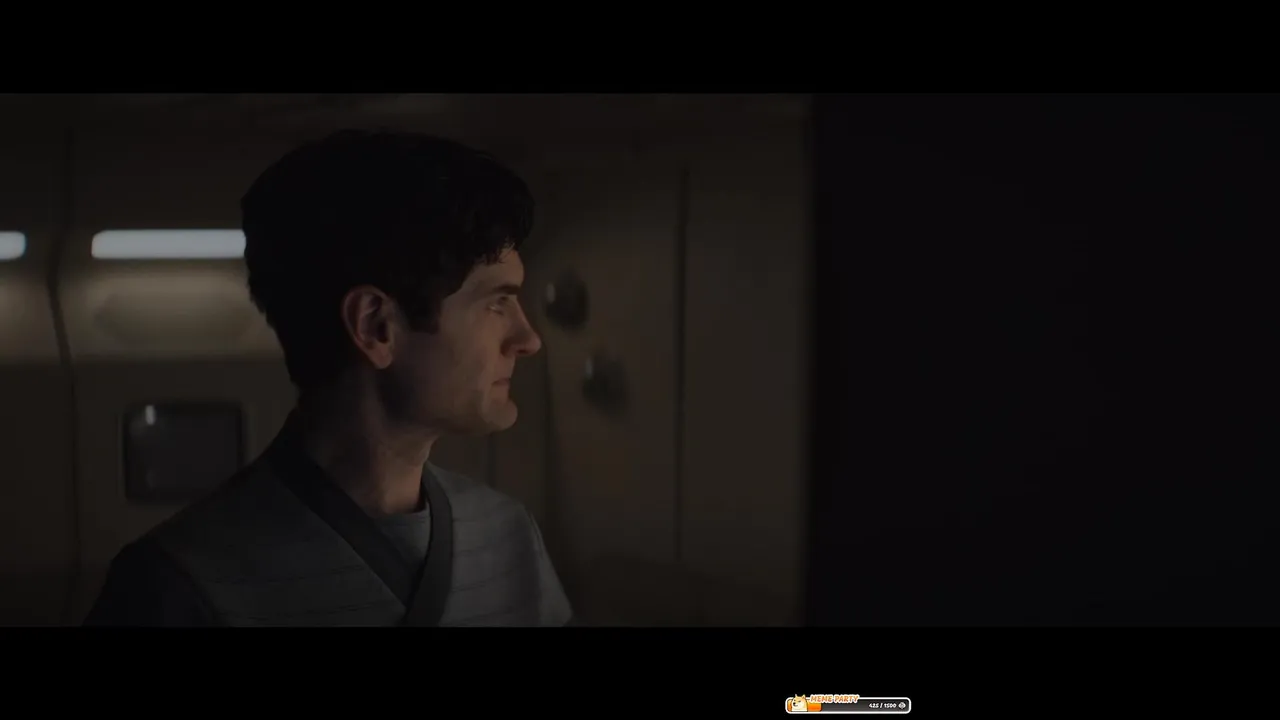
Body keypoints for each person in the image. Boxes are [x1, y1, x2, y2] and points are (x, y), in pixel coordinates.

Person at [84, 129, 575, 627]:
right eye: (496, 303)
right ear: (376, 327)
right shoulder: (179, 585)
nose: (528, 339)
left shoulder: (510, 536)